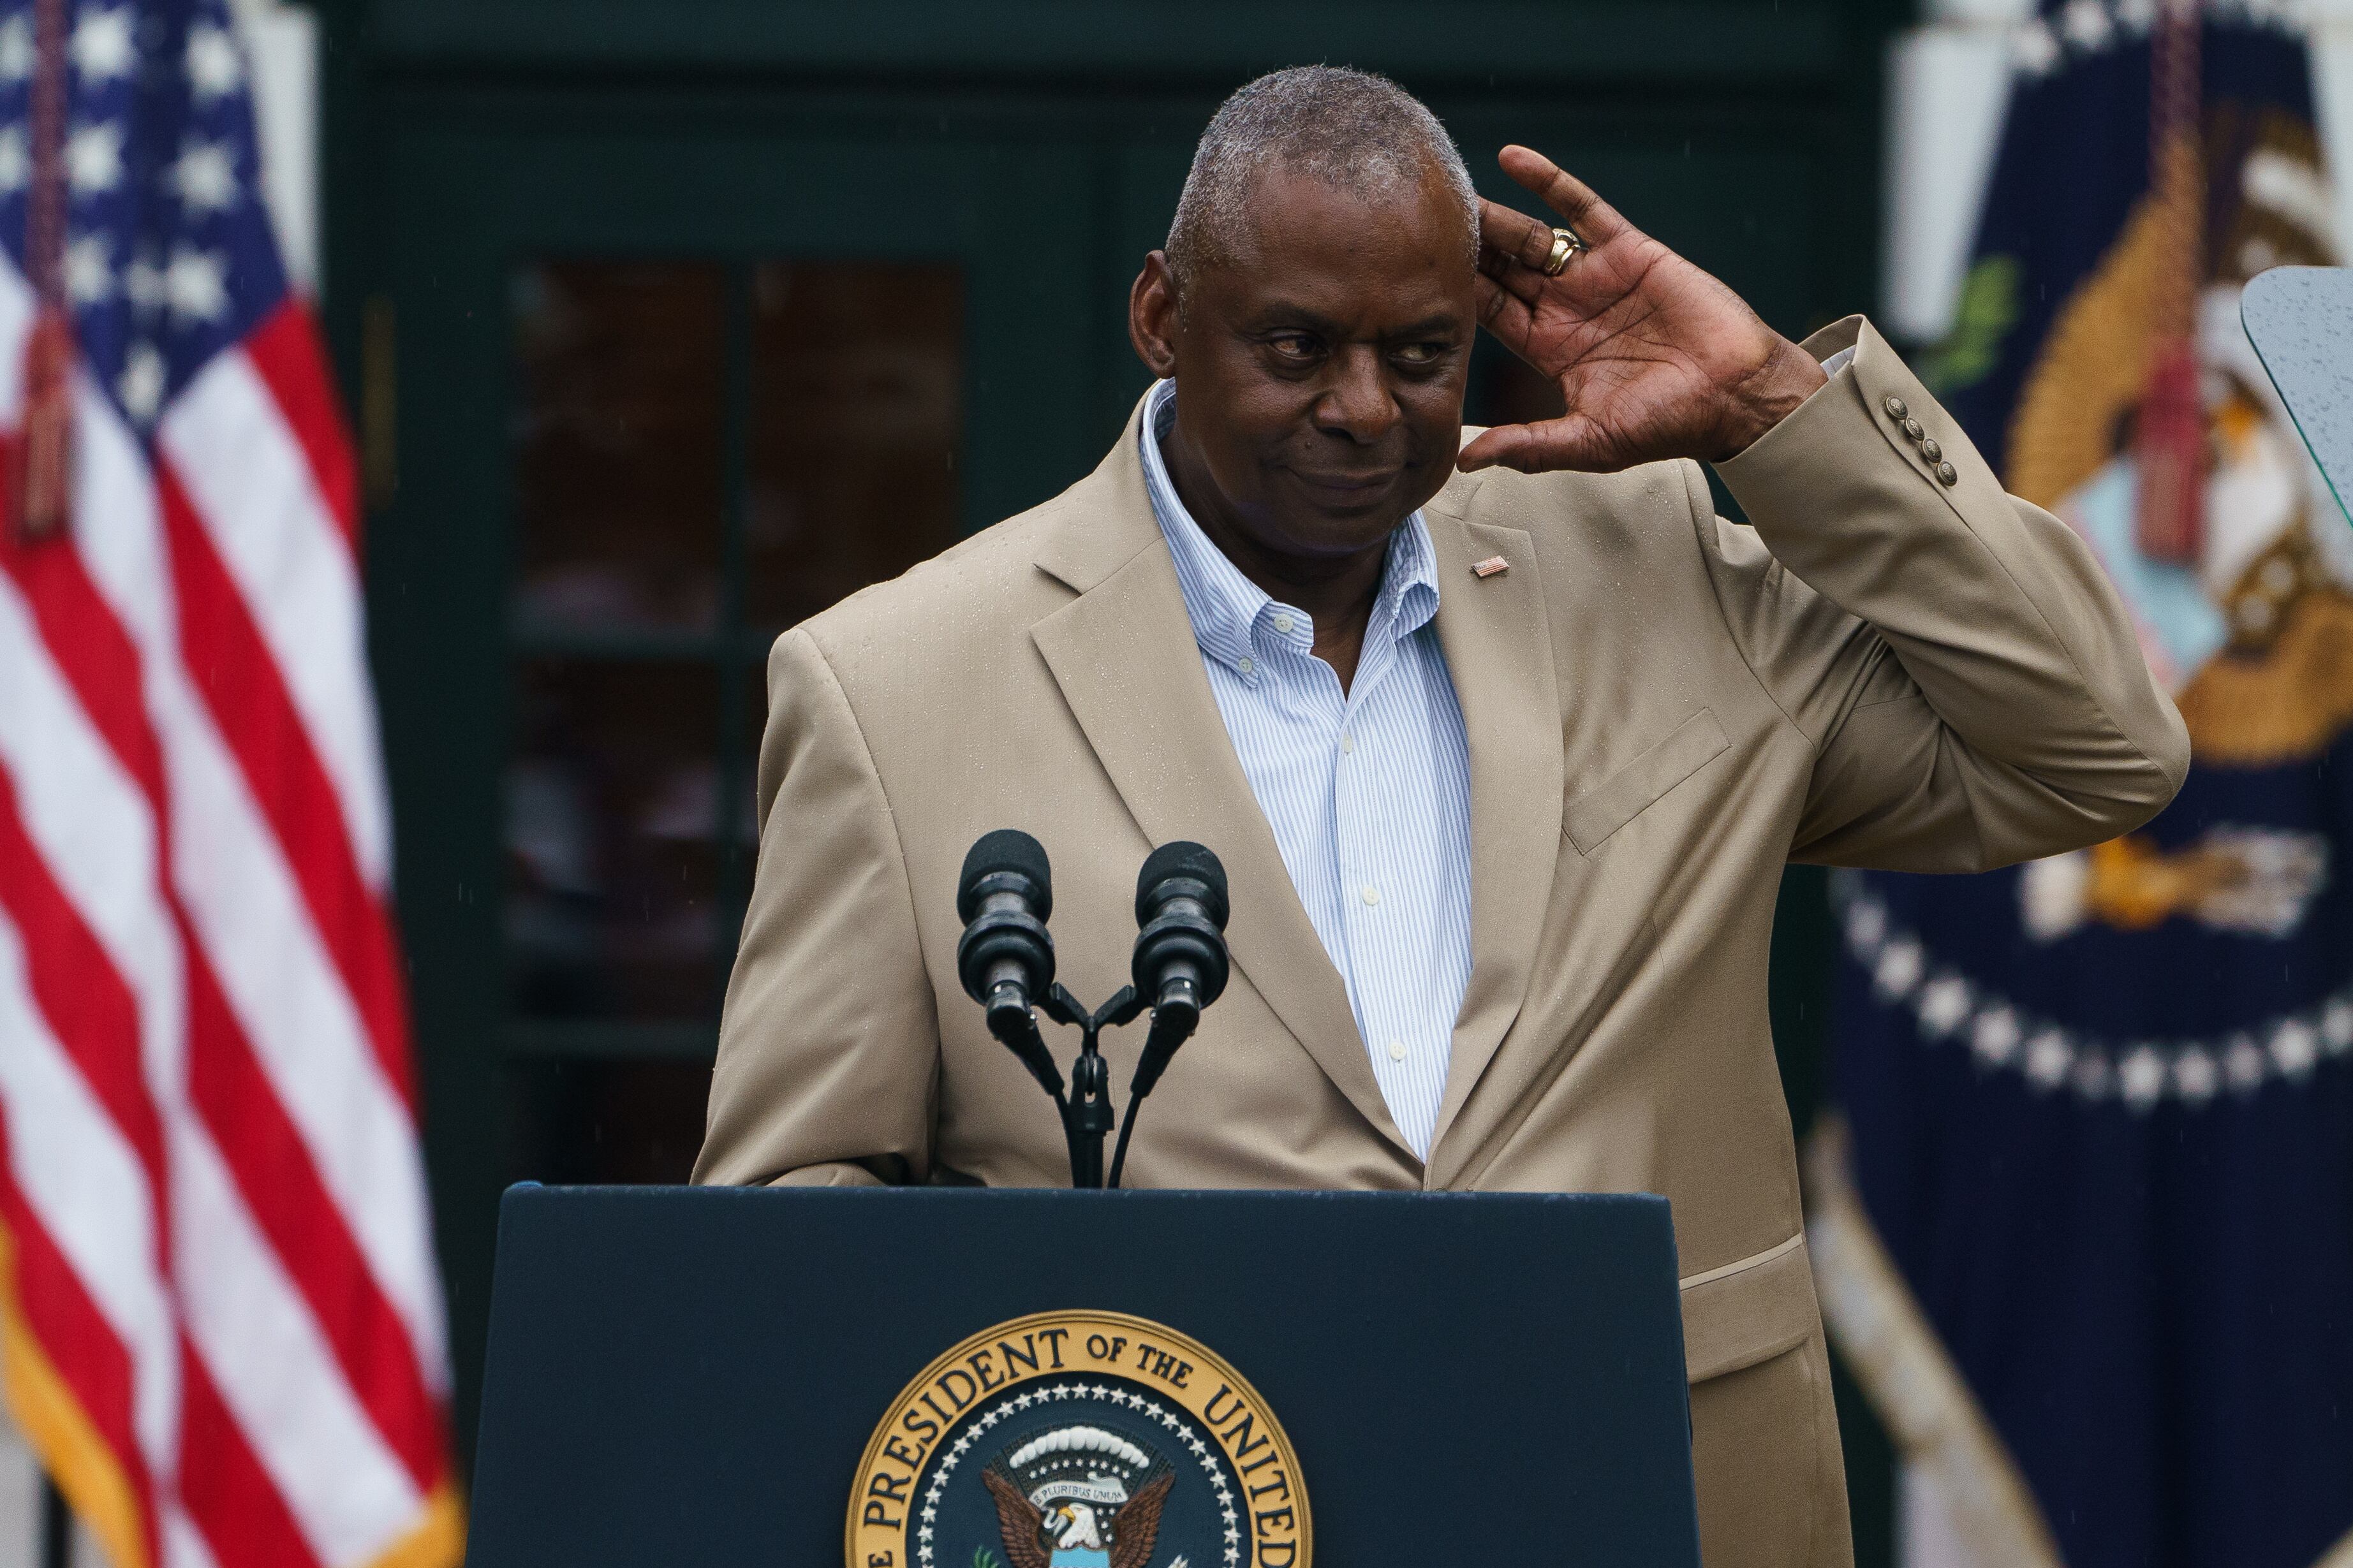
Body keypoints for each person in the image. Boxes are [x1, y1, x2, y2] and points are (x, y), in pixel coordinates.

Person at [693, 66, 2187, 1567]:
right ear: (1162, 316)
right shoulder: (892, 688)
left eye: (1421, 353)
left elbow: (2096, 745)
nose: (1362, 409)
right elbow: (785, 1234)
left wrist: (1772, 415)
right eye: (1296, 347)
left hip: (1652, 1497)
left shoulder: (1656, 571)